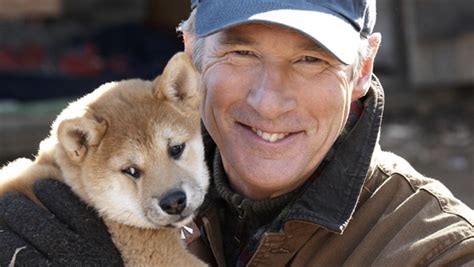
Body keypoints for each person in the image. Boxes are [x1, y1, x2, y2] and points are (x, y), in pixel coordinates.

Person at [0, 0, 473, 266]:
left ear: (362, 69)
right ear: (192, 54)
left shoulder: (436, 249)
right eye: (241, 55)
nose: (268, 101)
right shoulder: (74, 197)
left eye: (311, 59)